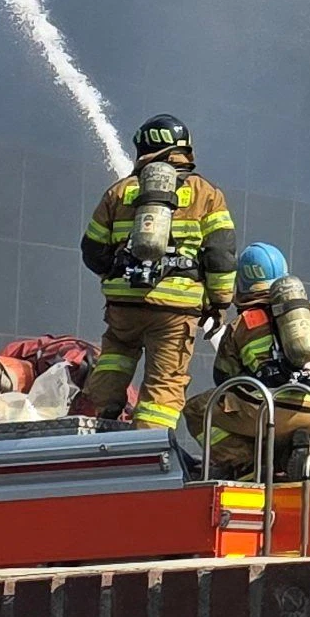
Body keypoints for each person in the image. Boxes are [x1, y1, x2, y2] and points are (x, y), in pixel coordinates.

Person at [73, 114, 239, 431]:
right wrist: (219, 303)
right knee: (165, 383)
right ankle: (147, 445)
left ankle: (99, 419)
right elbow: (221, 255)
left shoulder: (119, 192)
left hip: (124, 306)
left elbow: (92, 250)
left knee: (114, 357)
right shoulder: (207, 194)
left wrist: (115, 275)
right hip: (174, 311)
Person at [185, 243, 310, 480]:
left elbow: (225, 377)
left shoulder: (243, 323)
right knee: (308, 431)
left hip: (268, 408)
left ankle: (245, 463)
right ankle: (308, 457)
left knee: (197, 410)